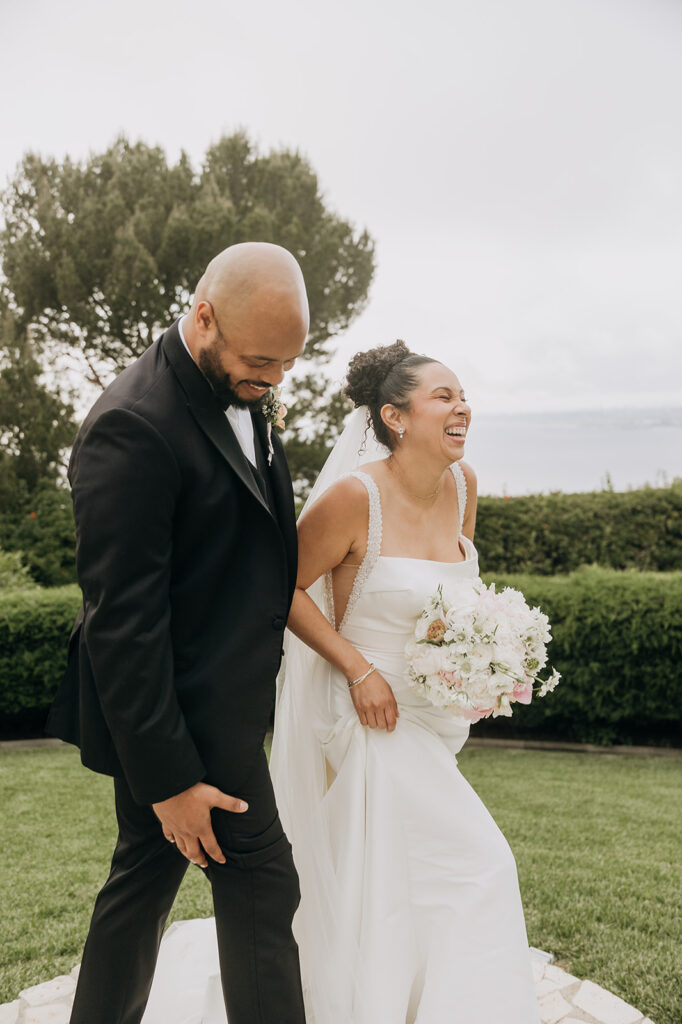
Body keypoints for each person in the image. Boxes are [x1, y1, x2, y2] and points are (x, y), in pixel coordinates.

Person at [142, 340, 541, 1024]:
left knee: (396, 885)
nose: (462, 407)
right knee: (481, 864)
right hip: (368, 717)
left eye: (463, 396)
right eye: (443, 396)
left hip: (431, 716)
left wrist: (481, 655)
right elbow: (283, 589)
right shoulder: (355, 496)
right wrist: (358, 670)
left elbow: (461, 593)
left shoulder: (463, 485)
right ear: (393, 416)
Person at [46, 242, 309, 1024]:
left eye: (289, 364)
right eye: (262, 361)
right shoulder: (131, 425)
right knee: (265, 886)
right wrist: (169, 783)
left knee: (141, 885)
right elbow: (120, 625)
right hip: (181, 717)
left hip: (217, 699)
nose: (274, 382)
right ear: (203, 316)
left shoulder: (241, 383)